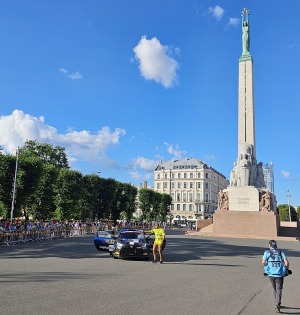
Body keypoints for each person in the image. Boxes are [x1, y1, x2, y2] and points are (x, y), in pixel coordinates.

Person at [262, 240, 290, 313]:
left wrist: (267, 268)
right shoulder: (281, 252)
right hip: (280, 274)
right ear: (276, 245)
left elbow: (263, 262)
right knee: (279, 289)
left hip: (271, 274)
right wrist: (287, 270)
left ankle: (277, 302)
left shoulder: (266, 252)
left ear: (269, 245)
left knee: (275, 289)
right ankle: (278, 304)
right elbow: (286, 262)